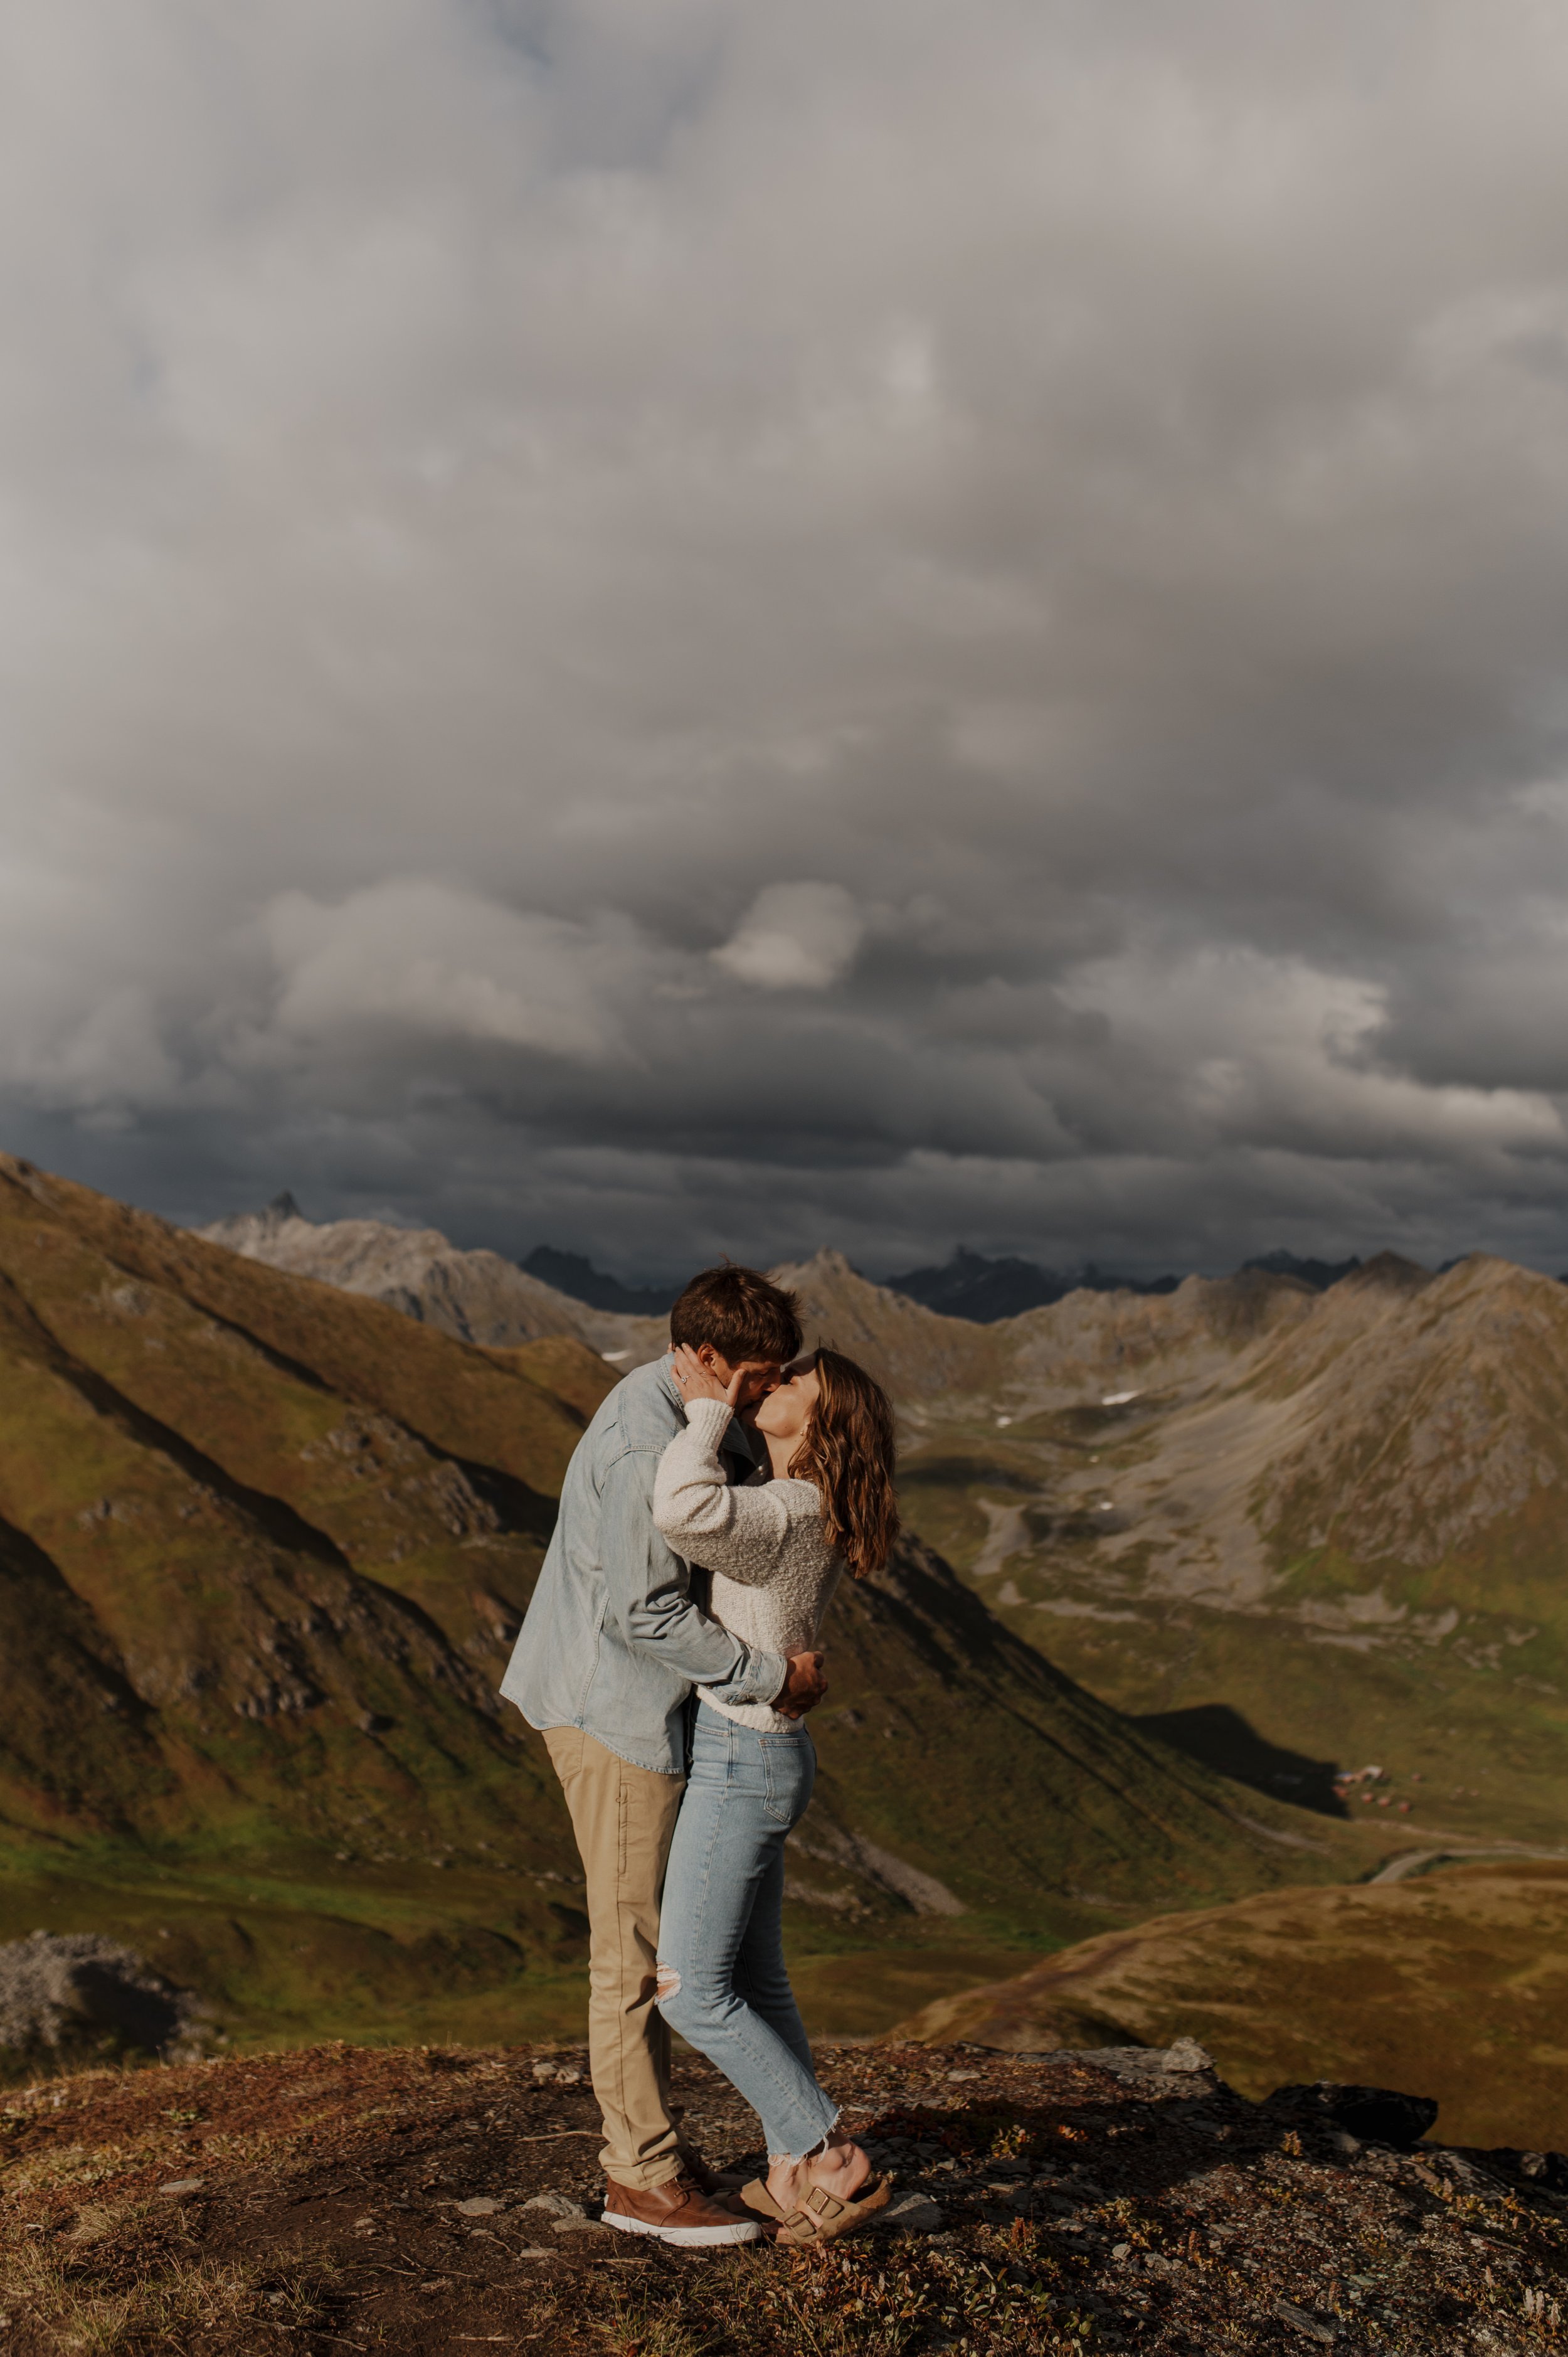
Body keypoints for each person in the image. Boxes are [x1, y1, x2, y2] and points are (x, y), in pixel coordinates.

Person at [499, 1264, 828, 2249]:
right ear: (706, 1358)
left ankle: (668, 2153)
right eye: (759, 1375)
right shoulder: (653, 1437)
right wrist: (766, 1674)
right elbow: (641, 1610)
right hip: (617, 1716)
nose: (769, 1393)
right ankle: (639, 2177)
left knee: (655, 1944)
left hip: (629, 1700)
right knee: (635, 1953)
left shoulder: (677, 1400)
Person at [649, 1340, 901, 2247]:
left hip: (741, 1755)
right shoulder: (800, 1502)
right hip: (764, 1751)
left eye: (797, 1380)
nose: (777, 1382)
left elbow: (681, 1511)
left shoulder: (792, 1508)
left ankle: (829, 2152)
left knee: (687, 1989)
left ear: (822, 1421)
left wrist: (707, 1407)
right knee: (757, 1977)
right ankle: (793, 2173)